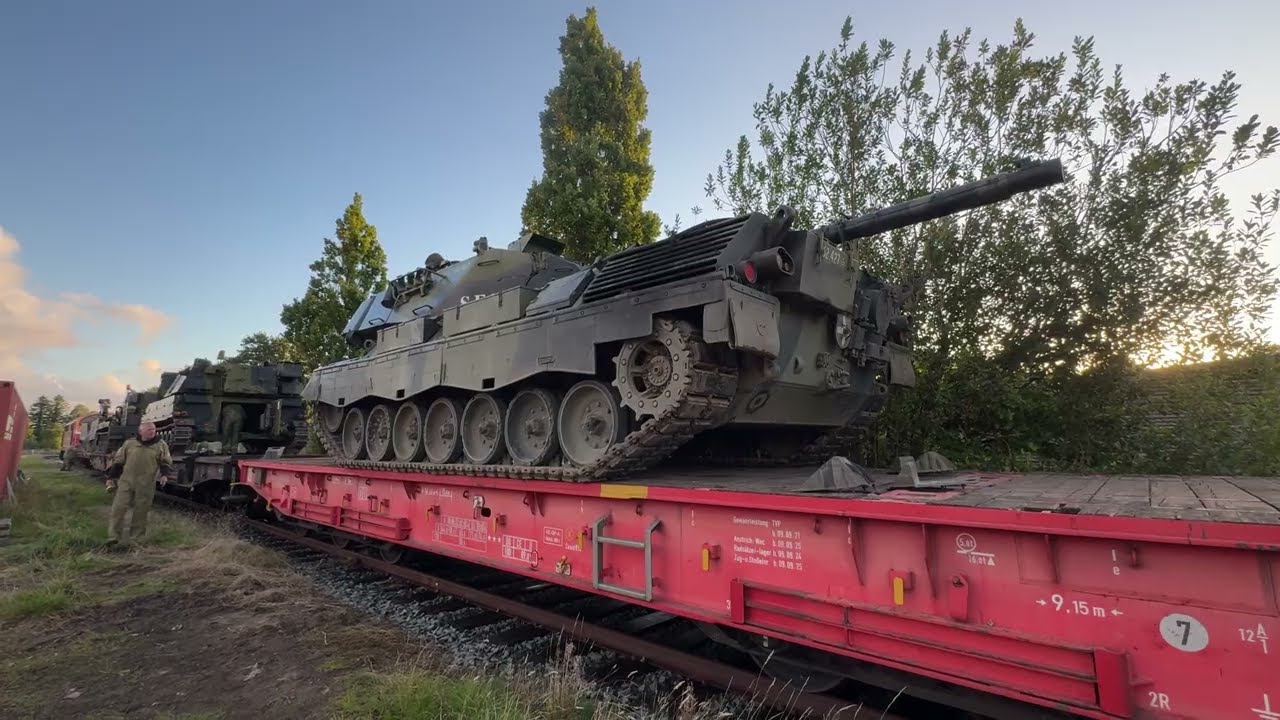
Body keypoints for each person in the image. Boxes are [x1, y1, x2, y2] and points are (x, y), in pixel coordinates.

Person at [103, 422, 175, 547]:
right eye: (149, 430)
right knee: (118, 509)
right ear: (141, 431)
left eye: (153, 429)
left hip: (146, 483)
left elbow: (165, 462)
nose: (152, 432)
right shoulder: (129, 444)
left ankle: (136, 539)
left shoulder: (160, 445)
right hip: (126, 482)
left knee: (141, 511)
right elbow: (119, 461)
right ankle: (113, 537)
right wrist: (111, 477)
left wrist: (164, 475)